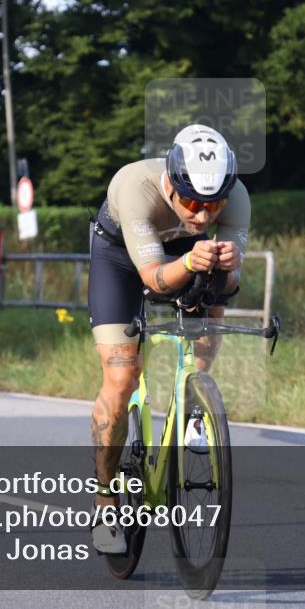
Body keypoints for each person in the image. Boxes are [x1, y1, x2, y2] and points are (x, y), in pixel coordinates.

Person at [87, 124, 250, 553]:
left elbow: (230, 288)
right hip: (121, 259)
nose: (203, 216)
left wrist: (230, 269)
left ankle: (197, 400)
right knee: (122, 375)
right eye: (193, 202)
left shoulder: (238, 199)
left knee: (216, 281)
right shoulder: (133, 186)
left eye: (214, 205)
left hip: (184, 254)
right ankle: (106, 498)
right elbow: (156, 281)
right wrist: (196, 261)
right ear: (172, 184)